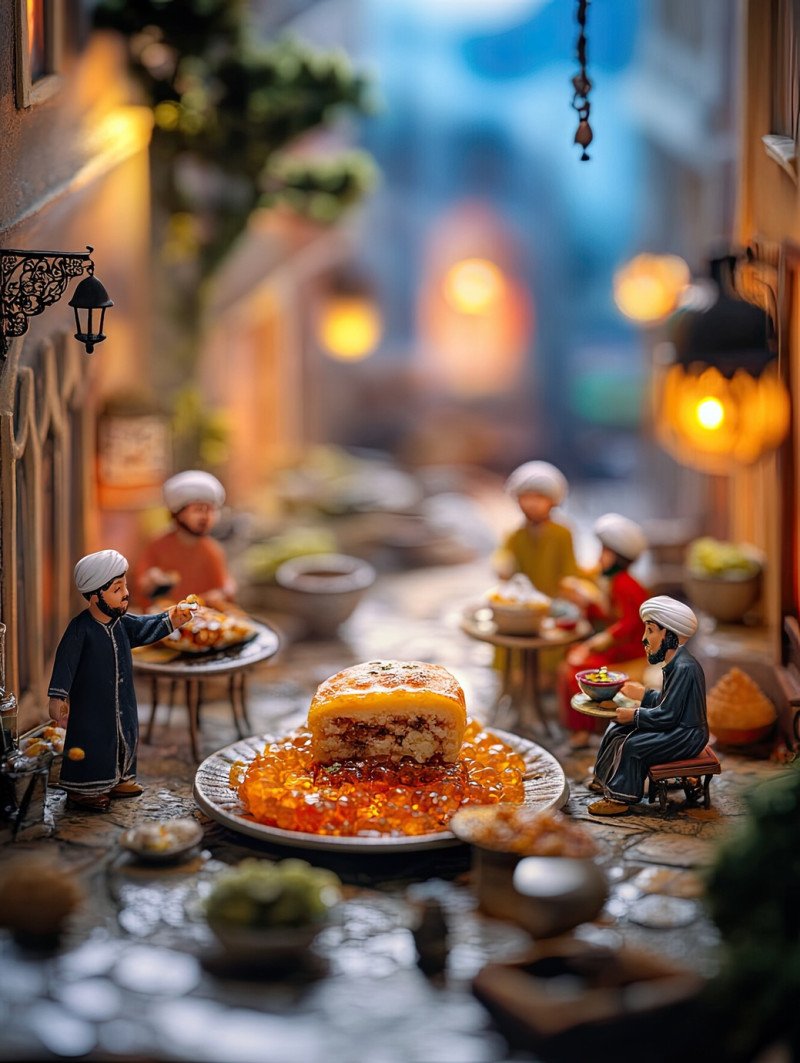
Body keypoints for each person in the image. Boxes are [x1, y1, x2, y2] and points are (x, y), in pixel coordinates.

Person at [48, 550, 195, 812]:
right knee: (94, 742)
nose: (126, 593)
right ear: (95, 596)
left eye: (124, 585)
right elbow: (65, 663)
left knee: (125, 735)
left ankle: (119, 779)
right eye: (117, 589)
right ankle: (86, 790)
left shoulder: (121, 623)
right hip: (92, 707)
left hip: (123, 700)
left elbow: (145, 626)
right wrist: (58, 696)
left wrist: (173, 618)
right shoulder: (80, 629)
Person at [587, 595, 708, 816]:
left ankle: (620, 798)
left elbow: (669, 715)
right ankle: (604, 780)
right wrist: (644, 694)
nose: (644, 638)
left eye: (650, 631)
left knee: (634, 744)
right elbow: (669, 700)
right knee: (616, 730)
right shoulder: (675, 663)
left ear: (668, 634)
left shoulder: (684, 668)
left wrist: (634, 716)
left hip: (687, 734)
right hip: (677, 727)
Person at [558, 513, 649, 746]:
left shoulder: (624, 584)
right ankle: (581, 725)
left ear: (616, 557)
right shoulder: (615, 581)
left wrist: (605, 638)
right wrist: (587, 605)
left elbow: (630, 622)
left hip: (628, 652)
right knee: (572, 658)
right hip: (621, 648)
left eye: (604, 552)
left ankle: (584, 729)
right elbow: (610, 614)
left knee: (575, 670)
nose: (600, 558)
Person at [132, 470, 235, 609]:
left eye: (210, 510)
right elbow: (140, 587)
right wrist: (151, 580)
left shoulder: (212, 550)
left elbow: (225, 586)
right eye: (198, 510)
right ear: (178, 513)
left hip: (202, 622)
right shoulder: (158, 546)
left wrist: (223, 592)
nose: (205, 517)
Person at [493, 461, 579, 597]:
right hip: (524, 596)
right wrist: (503, 565)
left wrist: (569, 583)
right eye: (526, 497)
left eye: (539, 497)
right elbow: (504, 555)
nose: (533, 503)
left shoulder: (563, 533)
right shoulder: (515, 534)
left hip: (555, 596)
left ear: (552, 501)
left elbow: (570, 567)